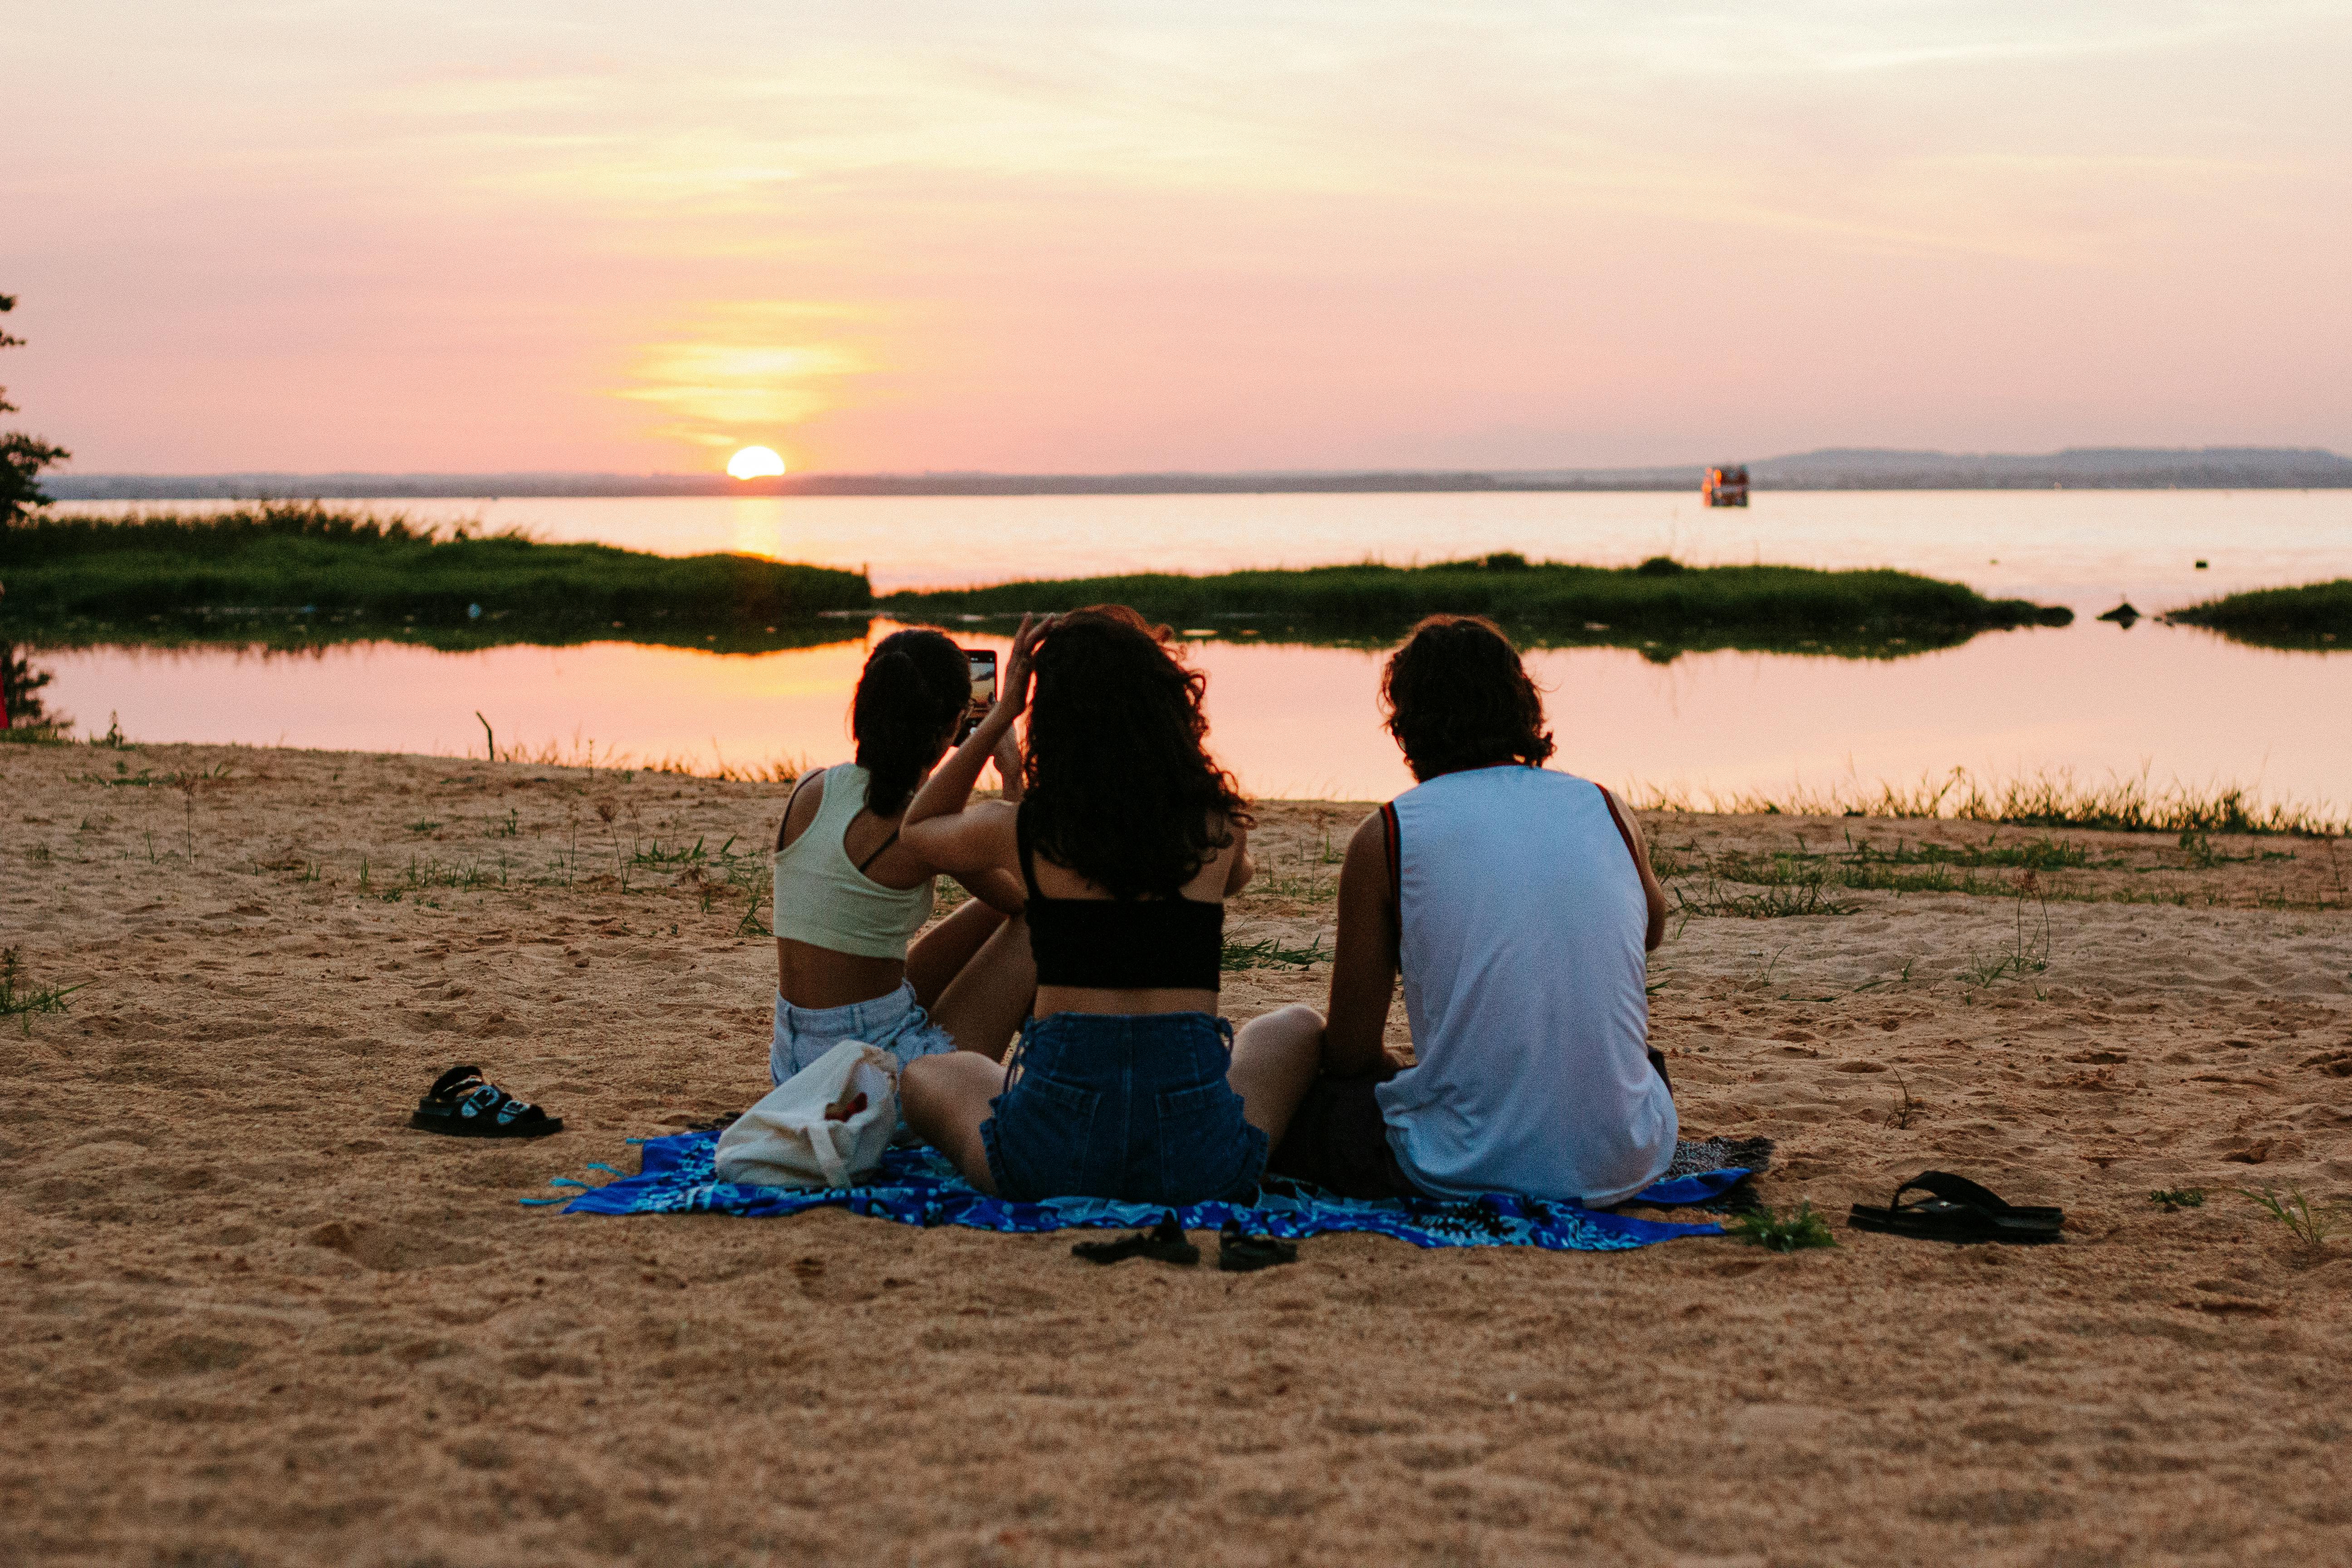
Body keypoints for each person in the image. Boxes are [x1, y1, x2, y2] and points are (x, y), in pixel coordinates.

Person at [897, 608, 1323, 1202]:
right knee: (1297, 1027)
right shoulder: (1215, 826)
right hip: (1196, 1161)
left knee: (924, 1073)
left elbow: (919, 829)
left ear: (1054, 720)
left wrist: (999, 717)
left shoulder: (1023, 830)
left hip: (1049, 1155)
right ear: (1168, 705)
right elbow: (1235, 879)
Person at [1261, 613, 1677, 1205]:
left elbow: (1351, 1052)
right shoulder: (1603, 805)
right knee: (1639, 1062)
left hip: (1458, 1168)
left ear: (1406, 724)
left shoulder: (1387, 833)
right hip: (1628, 1157)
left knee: (1325, 1102)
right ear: (1523, 707)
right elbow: (1653, 931)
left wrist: (1394, 1071)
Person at [769, 628, 1036, 1090]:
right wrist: (1011, 773)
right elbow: (1028, 889)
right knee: (1044, 921)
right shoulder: (917, 831)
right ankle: (1057, 1068)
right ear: (954, 726)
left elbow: (999, 901)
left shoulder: (811, 787)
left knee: (991, 910)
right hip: (867, 1084)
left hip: (793, 1066)